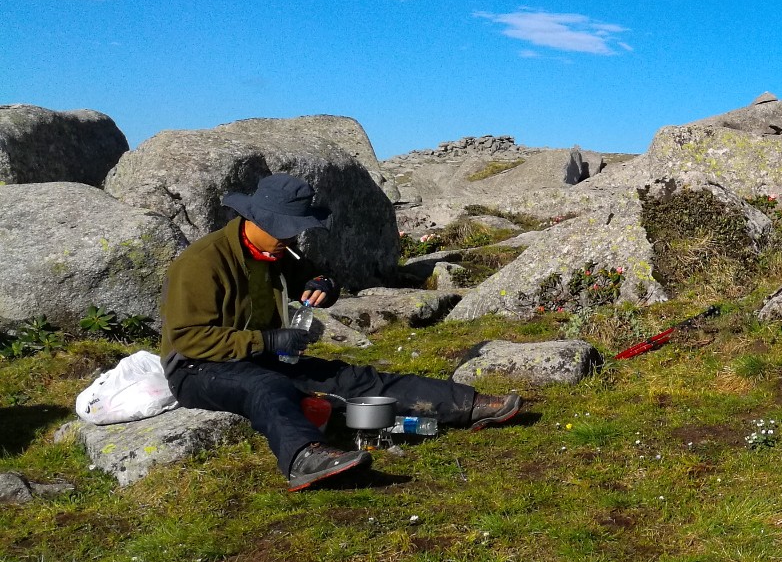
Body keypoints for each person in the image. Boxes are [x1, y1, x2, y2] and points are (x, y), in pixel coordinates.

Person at [159, 173, 520, 491]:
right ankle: (304, 458)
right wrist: (265, 340)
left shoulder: (279, 251)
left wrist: (324, 284)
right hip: (198, 368)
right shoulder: (201, 263)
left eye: (296, 228)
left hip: (261, 355)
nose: (293, 236)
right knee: (267, 387)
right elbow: (188, 337)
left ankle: (468, 405)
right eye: (287, 228)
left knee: (351, 378)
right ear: (258, 219)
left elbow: (313, 277)